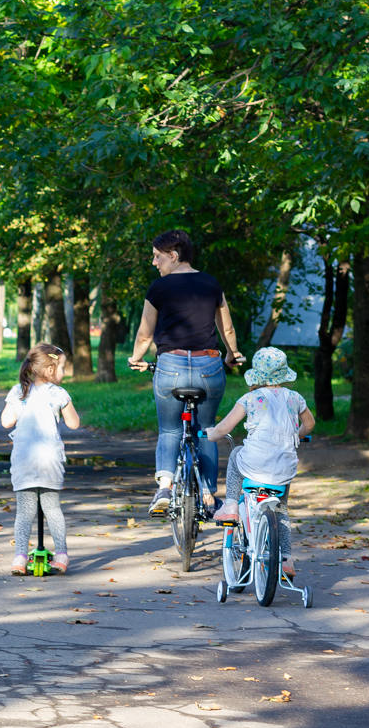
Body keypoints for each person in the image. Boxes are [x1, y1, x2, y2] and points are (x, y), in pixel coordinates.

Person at [127, 229, 245, 517]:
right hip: (208, 367)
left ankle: (165, 487)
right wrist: (231, 355)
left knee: (169, 429)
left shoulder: (159, 288)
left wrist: (136, 358)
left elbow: (145, 335)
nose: (154, 263)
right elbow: (226, 328)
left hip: (171, 367)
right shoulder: (212, 285)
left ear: (173, 256)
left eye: (157, 257)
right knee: (206, 431)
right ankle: (207, 495)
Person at [204, 346, 316, 578]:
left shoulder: (250, 398)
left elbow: (226, 427)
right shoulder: (295, 398)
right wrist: (298, 434)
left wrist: (213, 434)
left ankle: (232, 505)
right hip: (284, 468)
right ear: (284, 374)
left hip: (254, 464)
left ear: (256, 375)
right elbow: (310, 424)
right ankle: (286, 559)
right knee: (281, 510)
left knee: (236, 455)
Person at [0, 343, 81, 575]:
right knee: (52, 508)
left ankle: (19, 558)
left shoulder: (18, 392)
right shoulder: (59, 394)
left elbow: (6, 422)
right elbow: (74, 424)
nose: (64, 373)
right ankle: (62, 554)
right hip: (49, 460)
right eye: (62, 368)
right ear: (49, 370)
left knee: (24, 511)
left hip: (24, 459)